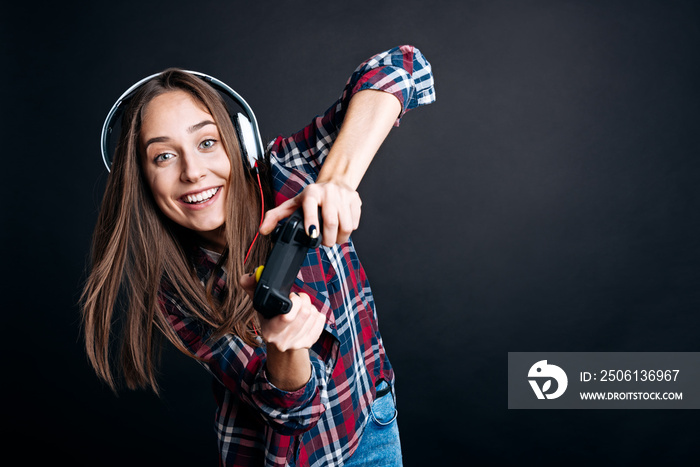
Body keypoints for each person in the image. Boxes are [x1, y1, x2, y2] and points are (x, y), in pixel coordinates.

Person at [81, 44, 435, 466]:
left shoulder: (289, 169)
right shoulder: (176, 289)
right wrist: (286, 347)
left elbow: (404, 65)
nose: (192, 171)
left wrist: (338, 179)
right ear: (141, 180)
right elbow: (292, 414)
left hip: (372, 424)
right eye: (164, 156)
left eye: (207, 142)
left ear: (239, 144)